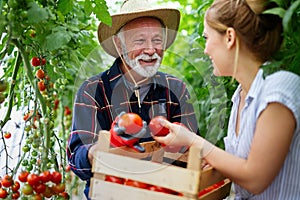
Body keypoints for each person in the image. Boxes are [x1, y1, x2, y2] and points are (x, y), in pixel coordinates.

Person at [153, 0, 300, 199]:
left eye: (206, 38)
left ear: (229, 37)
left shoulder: (279, 88)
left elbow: (255, 178)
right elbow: (241, 163)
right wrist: (207, 156)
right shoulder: (240, 96)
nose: (205, 50)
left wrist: (193, 140)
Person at [67, 0, 198, 199]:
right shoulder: (92, 91)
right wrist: (98, 151)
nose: (151, 49)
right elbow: (78, 163)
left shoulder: (176, 89)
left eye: (156, 40)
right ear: (119, 45)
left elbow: (191, 149)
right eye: (140, 41)